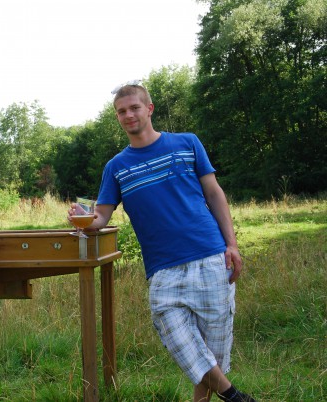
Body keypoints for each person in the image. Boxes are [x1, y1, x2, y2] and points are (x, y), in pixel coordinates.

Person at [69, 81, 256, 402]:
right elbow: (101, 218)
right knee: (177, 336)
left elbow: (214, 194)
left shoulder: (187, 143)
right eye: (121, 111)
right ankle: (235, 396)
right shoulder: (116, 167)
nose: (128, 115)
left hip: (210, 256)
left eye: (134, 108)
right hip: (162, 269)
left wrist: (232, 244)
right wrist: (81, 220)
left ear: (149, 109)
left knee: (211, 353)